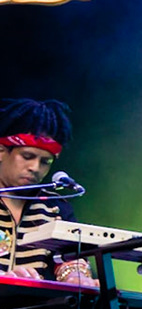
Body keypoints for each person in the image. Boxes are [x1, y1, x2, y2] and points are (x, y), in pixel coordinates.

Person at [0, 99, 93, 285]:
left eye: (45, 162)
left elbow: (69, 257)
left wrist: (77, 276)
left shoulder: (56, 208)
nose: (35, 167)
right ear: (1, 151)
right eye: (27, 156)